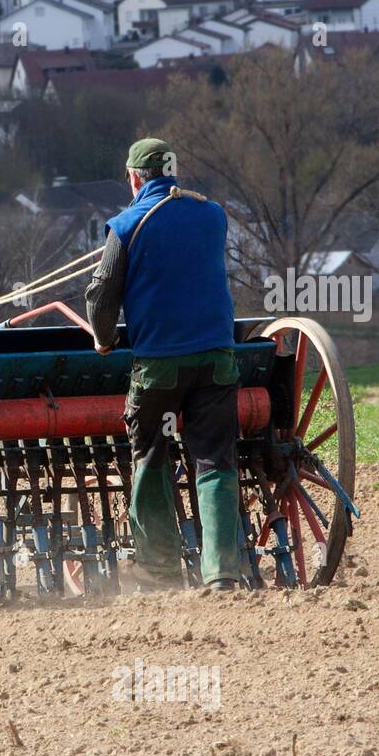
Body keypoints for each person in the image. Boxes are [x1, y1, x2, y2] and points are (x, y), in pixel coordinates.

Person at [84, 138, 242, 592]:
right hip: (217, 361)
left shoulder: (126, 224)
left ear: (134, 177)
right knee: (215, 459)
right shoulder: (213, 215)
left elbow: (100, 295)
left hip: (159, 367)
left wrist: (104, 339)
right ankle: (222, 571)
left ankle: (160, 570)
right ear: (172, 173)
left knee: (150, 453)